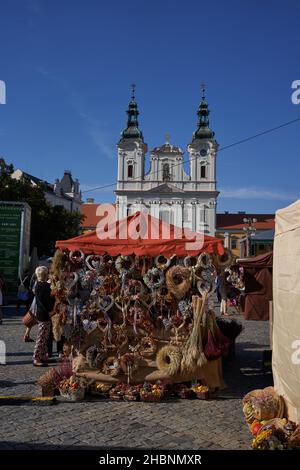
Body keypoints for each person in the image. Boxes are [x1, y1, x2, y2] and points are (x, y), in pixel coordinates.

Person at [33, 266, 55, 367]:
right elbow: (47, 301)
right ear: (45, 275)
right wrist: (52, 310)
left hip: (42, 313)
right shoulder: (44, 286)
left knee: (45, 335)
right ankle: (36, 358)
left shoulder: (38, 284)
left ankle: (43, 356)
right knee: (42, 336)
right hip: (44, 314)